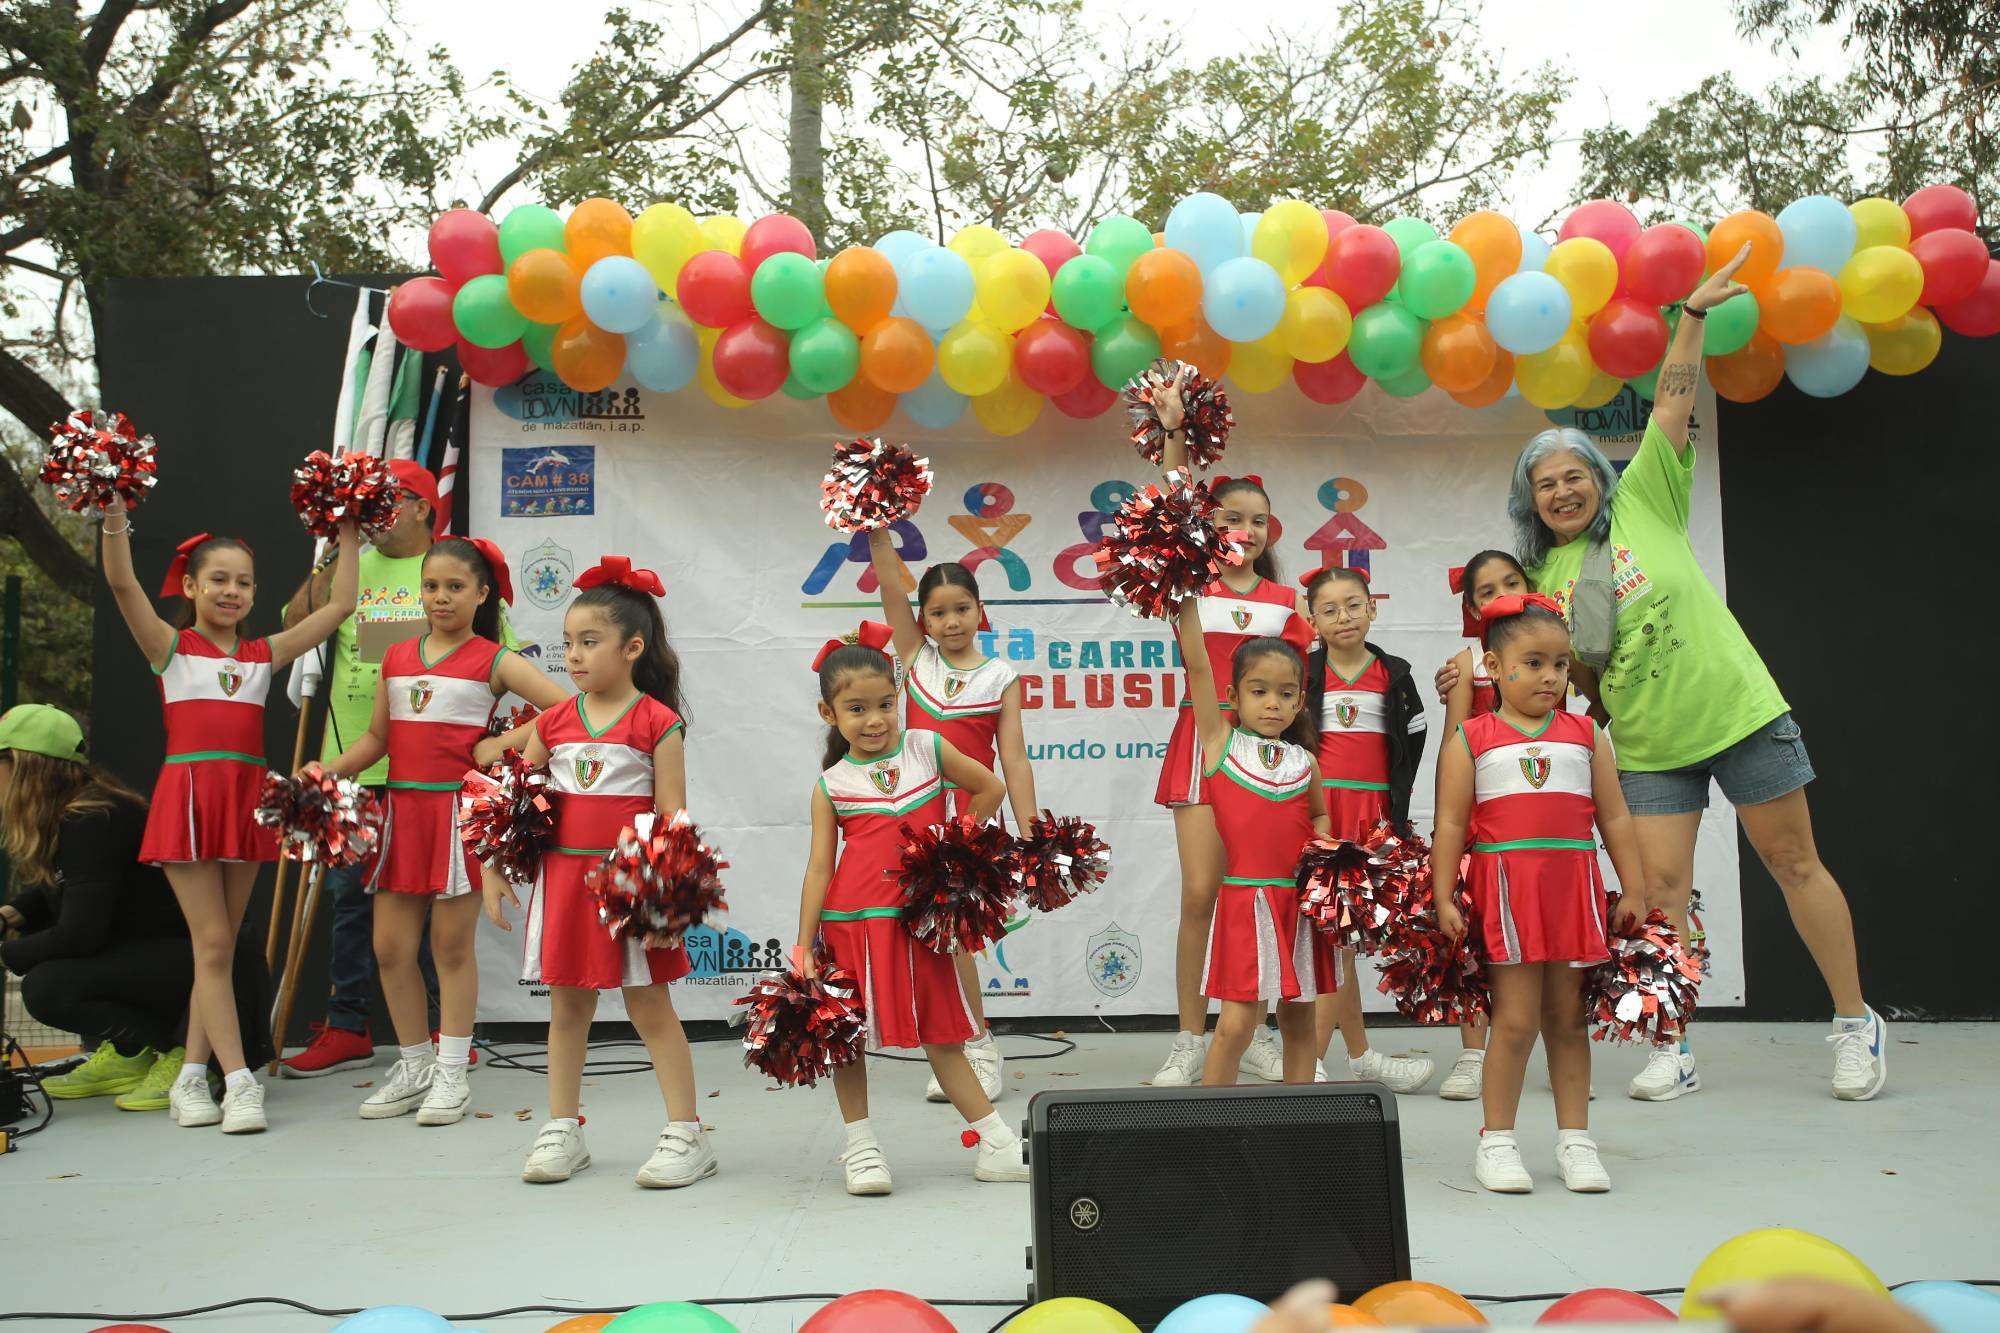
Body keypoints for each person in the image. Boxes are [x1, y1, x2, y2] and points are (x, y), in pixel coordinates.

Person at [1443, 244, 1886, 1102]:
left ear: (1599, 478)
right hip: (1645, 744)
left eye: (1574, 474)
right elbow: (1540, 678)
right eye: (1545, 485)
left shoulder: (1649, 493)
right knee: (1661, 895)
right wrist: (1467, 686)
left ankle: (1854, 1021)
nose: (1562, 490)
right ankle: (1671, 1042)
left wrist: (1689, 320)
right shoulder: (1540, 585)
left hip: (1737, 710)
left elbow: (1676, 400)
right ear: (1528, 502)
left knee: (1795, 861)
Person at [100, 500, 359, 1133]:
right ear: (191, 586)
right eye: (218, 579)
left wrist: (349, 530)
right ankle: (239, 1080)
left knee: (216, 948)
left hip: (248, 803)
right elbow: (122, 582)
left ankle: (191, 1078)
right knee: (213, 943)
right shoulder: (169, 646)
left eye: (244, 581)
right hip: (187, 800)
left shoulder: (261, 654)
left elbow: (339, 607)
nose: (232, 591)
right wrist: (112, 516)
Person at [480, 557, 712, 1188]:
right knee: (568, 1007)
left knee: (649, 1005)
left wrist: (665, 905)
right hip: (563, 888)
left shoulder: (658, 723)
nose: (574, 657)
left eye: (590, 642)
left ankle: (685, 1133)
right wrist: (497, 871)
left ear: (632, 648)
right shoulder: (551, 723)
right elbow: (519, 811)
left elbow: (672, 821)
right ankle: (563, 1127)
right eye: (567, 644)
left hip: (630, 894)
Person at [322, 538, 569, 1127]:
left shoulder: (494, 658)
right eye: (431, 586)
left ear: (481, 594)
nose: (440, 597)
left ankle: (453, 1073)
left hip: (460, 820)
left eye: (455, 587)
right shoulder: (396, 654)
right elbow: (377, 740)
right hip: (401, 817)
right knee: (389, 949)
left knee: (450, 948)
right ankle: (414, 1067)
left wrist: (501, 744)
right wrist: (324, 773)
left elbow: (564, 709)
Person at [797, 626, 1030, 1195]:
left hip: (917, 923)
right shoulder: (830, 784)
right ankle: (862, 1147)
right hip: (851, 923)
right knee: (844, 1036)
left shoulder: (926, 747)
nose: (874, 720)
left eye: (884, 704)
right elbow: (819, 870)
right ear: (829, 713)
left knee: (943, 1033)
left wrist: (951, 852)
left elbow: (990, 788)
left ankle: (996, 1143)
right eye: (857, 709)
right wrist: (803, 946)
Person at [1430, 595, 1646, 1194]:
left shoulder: (1586, 733)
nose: (1550, 676)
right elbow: (1451, 824)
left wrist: (1634, 884)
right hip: (1507, 896)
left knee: (1568, 1020)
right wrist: (1443, 894)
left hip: (1572, 891)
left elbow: (1616, 817)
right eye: (1532, 663)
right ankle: (1496, 1141)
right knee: (1517, 1021)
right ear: (1494, 669)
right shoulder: (1471, 738)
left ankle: (1576, 1140)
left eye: (1559, 664)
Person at [1141, 374, 1309, 1089]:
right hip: (1205, 749)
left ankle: (1258, 1024)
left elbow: (1301, 691)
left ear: (1272, 531)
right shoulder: (1192, 586)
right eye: (1231, 517)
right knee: (1202, 891)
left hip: (1269, 764)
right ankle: (1190, 1035)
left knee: (1271, 891)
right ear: (1212, 524)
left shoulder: (1283, 599)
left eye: (1259, 520)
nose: (1245, 529)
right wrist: (1174, 433)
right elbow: (1173, 511)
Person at [0, 706, 271, 1109]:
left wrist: (7, 953)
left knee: (47, 986)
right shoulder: (84, 810)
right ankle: (132, 1052)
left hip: (222, 976)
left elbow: (81, 933)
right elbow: (74, 883)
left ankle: (186, 1055)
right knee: (53, 976)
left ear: (27, 769)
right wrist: (13, 912)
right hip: (179, 962)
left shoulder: (92, 820)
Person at [279, 460, 442, 1078]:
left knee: (430, 905)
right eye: (368, 500)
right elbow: (294, 624)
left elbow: (491, 655)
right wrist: (334, 546)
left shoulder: (450, 566)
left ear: (423, 506)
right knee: (348, 902)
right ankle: (348, 1024)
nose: (376, 510)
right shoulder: (351, 566)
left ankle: (440, 1028)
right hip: (353, 765)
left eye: (388, 499)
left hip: (430, 772)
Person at [866, 529, 1035, 1103]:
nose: (952, 620)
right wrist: (876, 525)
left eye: (962, 608)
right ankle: (959, 1044)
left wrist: (1031, 828)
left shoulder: (1001, 677)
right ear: (923, 621)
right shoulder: (913, 660)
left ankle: (980, 1046)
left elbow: (1012, 757)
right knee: (934, 943)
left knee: (957, 941)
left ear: (980, 610)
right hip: (912, 819)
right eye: (937, 612)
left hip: (970, 824)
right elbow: (890, 584)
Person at [1171, 597, 1328, 1086]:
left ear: (1300, 701)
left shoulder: (1305, 761)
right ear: (1231, 696)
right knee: (1236, 1024)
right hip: (1247, 902)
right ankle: (1214, 1127)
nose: (1272, 703)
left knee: (1301, 1019)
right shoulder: (1219, 743)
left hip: (1298, 905)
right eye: (1258, 691)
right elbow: (1196, 660)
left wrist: (1328, 856)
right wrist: (1185, 596)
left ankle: (1301, 1121)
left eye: (1286, 693)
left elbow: (1319, 814)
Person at [1298, 566, 1435, 1092]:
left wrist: (1394, 821)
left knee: (1343, 943)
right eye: (1329, 609)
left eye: (1353, 605)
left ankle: (1356, 1057)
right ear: (1312, 620)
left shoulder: (1394, 674)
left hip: (1372, 823)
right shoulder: (1307, 674)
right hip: (1319, 819)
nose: (1344, 617)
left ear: (1372, 607)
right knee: (1333, 942)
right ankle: (1311, 1063)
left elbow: (1411, 748)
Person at [1429, 550, 1533, 1100]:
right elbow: (1453, 743)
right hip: (1482, 810)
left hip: (1538, 809)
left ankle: (1555, 1042)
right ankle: (1473, 1053)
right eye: (1486, 590)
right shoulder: (1465, 663)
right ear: (1472, 606)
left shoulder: (1551, 652)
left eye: (1511, 583)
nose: (1500, 595)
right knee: (1473, 929)